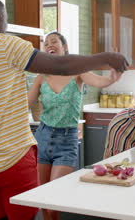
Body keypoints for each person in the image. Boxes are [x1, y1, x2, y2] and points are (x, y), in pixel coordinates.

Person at [0, 0, 129, 220]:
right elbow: (60, 66)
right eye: (5, 21)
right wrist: (105, 57)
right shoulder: (5, 44)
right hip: (14, 157)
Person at [27, 31, 122, 220]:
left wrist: (113, 76)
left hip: (66, 141)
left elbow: (99, 81)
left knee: (54, 199)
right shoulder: (41, 76)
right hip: (43, 138)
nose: (49, 46)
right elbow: (25, 104)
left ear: (65, 47)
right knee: (43, 201)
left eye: (54, 42)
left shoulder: (78, 72)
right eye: (46, 44)